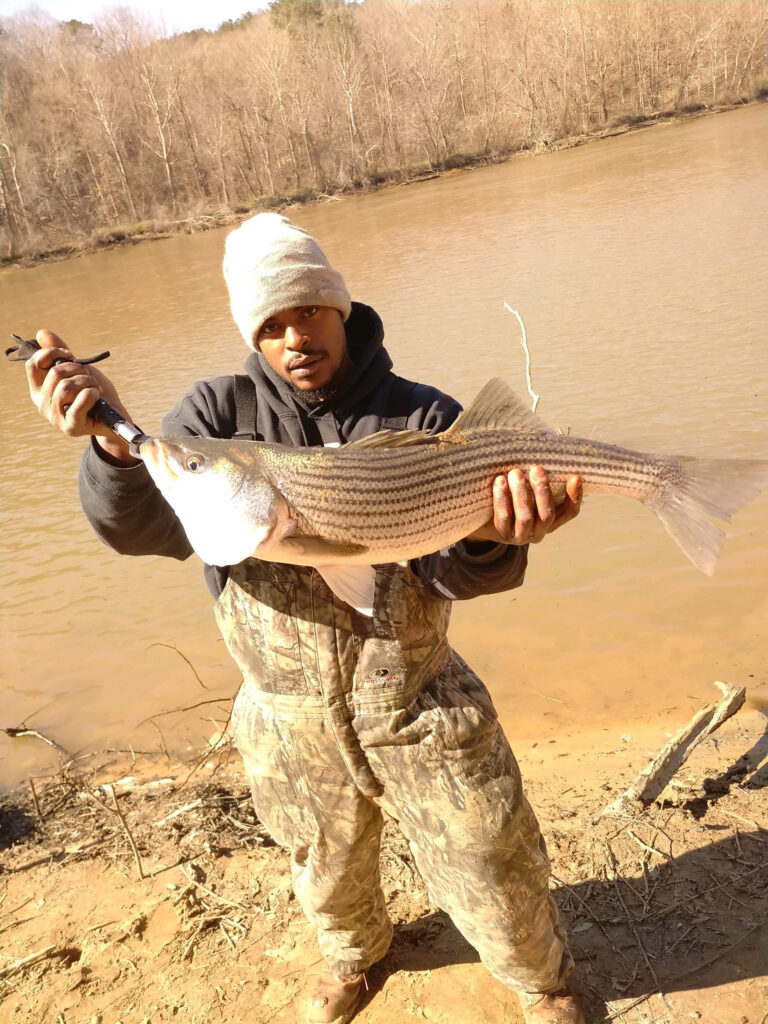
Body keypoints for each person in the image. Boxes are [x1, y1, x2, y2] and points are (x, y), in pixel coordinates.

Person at [27, 213, 585, 1024]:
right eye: (272, 323)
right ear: (252, 335)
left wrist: (501, 542)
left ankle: (542, 981)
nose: (295, 337)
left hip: (417, 694)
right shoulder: (212, 416)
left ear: (342, 308)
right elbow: (145, 527)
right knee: (322, 862)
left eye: (310, 311)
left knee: (489, 851)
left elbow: (456, 569)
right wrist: (114, 448)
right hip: (282, 710)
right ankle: (358, 960)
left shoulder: (424, 414)